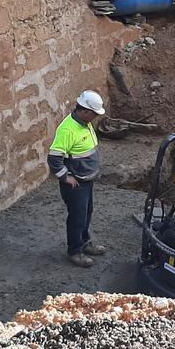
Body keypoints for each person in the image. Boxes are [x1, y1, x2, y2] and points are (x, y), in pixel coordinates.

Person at [48, 91, 109, 268]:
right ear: (84, 111)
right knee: (77, 217)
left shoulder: (84, 122)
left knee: (87, 212)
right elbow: (54, 158)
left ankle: (85, 243)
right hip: (76, 184)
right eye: (94, 113)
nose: (96, 117)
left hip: (86, 179)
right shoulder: (67, 129)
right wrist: (65, 177)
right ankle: (75, 251)